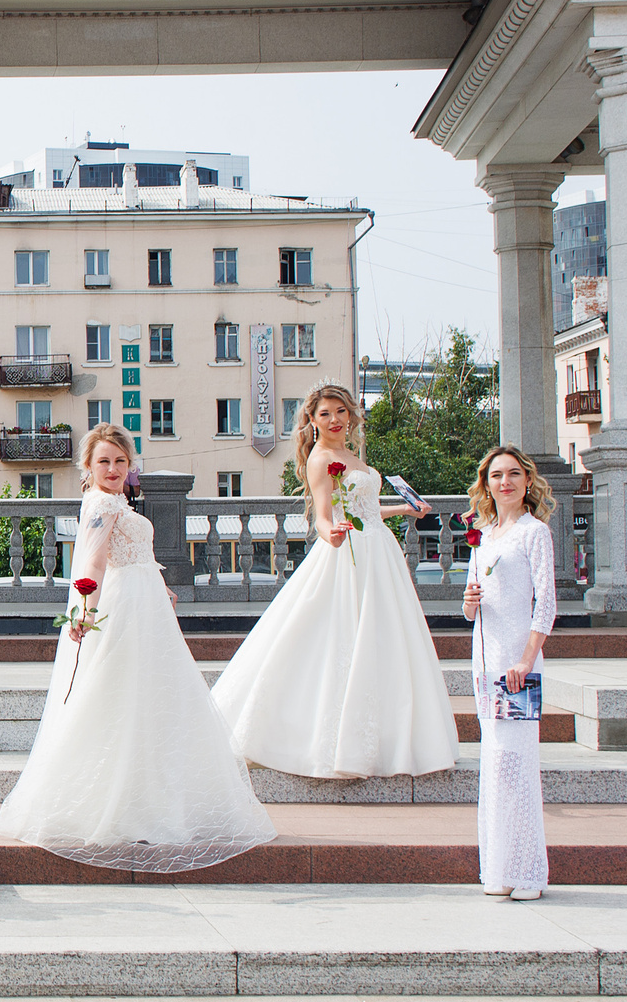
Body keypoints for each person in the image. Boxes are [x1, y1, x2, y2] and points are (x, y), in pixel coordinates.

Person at [0, 426, 274, 871]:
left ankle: (145, 798)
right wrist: (86, 609)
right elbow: (93, 559)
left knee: (146, 700)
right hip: (124, 609)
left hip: (145, 606)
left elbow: (137, 552)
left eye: (120, 461)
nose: (112, 469)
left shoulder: (119, 501)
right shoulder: (103, 503)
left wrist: (159, 584)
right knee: (128, 699)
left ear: (130, 465)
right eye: (103, 461)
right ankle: (129, 804)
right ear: (88, 466)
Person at [210, 383, 454, 779]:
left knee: (381, 639)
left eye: (340, 411)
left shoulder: (352, 456)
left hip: (379, 553)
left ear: (350, 415)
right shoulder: (321, 459)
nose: (335, 419)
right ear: (312, 420)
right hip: (349, 554)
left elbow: (367, 508)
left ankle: (388, 739)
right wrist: (332, 535)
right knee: (337, 637)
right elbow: (323, 515)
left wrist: (410, 510)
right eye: (325, 413)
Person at [461, 445, 555, 901]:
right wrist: (470, 603)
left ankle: (529, 871)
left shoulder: (534, 533)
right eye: (497, 476)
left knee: (517, 763)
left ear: (527, 481)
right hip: (484, 663)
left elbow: (547, 605)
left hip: (517, 665)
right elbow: (467, 607)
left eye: (514, 474)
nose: (505, 483)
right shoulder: (483, 535)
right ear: (487, 484)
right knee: (494, 763)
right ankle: (498, 868)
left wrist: (525, 659)